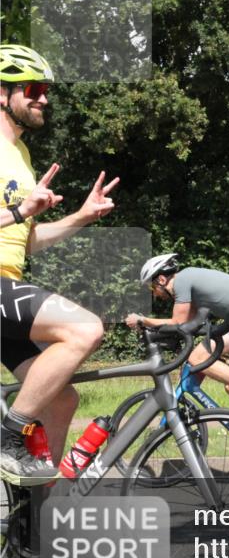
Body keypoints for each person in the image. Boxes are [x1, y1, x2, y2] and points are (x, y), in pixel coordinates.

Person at [0, 44, 119, 484]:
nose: (43, 98)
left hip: (6, 284)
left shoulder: (22, 157)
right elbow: (17, 219)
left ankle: (32, 522)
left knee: (61, 400)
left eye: (46, 90)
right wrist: (17, 211)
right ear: (2, 93)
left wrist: (80, 218)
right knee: (84, 328)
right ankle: (8, 435)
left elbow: (25, 241)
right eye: (32, 89)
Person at [125, 254, 229, 410]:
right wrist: (151, 327)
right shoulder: (189, 282)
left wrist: (142, 320)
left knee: (197, 357)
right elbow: (190, 324)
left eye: (152, 287)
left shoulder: (182, 281)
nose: (154, 294)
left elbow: (178, 321)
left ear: (162, 280)